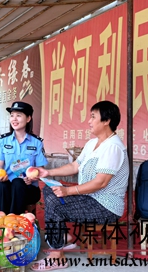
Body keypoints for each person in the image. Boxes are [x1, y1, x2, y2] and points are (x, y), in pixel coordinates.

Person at [31, 100, 129, 271]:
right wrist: (48, 173)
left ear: (107, 121)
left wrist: (68, 191)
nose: (89, 121)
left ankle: (57, 256)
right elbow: (75, 166)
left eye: (93, 117)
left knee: (56, 203)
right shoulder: (93, 144)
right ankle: (62, 237)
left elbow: (101, 182)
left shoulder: (113, 147)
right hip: (89, 198)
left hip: (105, 206)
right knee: (49, 188)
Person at [0, 101, 48, 215]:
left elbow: (40, 169)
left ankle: (13, 220)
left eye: (19, 115)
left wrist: (32, 178)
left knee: (18, 183)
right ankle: (4, 218)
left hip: (29, 188)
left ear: (28, 118)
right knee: (2, 185)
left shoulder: (37, 142)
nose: (14, 119)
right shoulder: (3, 141)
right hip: (8, 185)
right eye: (12, 115)